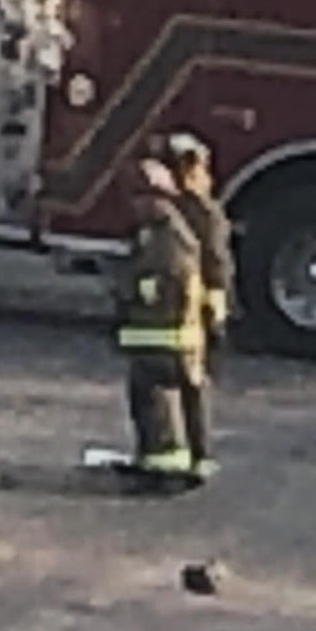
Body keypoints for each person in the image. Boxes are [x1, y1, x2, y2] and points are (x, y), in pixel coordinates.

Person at [113, 151, 210, 489]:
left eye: (141, 197)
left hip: (164, 338)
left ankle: (164, 471)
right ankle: (155, 461)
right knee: (147, 402)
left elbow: (170, 278)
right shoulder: (157, 229)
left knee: (158, 404)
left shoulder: (167, 235)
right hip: (157, 336)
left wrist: (134, 291)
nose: (135, 205)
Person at [162, 130, 232, 461]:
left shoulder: (198, 212)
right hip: (185, 310)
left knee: (189, 383)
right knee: (185, 383)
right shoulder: (196, 210)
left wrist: (215, 309)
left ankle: (196, 451)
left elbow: (216, 263)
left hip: (190, 310)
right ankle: (191, 451)